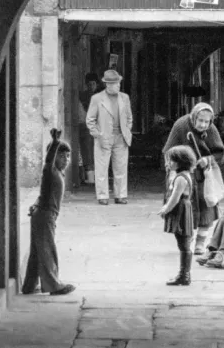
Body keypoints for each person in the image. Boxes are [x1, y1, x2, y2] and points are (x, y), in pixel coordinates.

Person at [162, 102, 224, 254]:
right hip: (185, 175)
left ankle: (200, 242)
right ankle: (187, 240)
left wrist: (208, 160)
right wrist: (172, 172)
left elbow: (221, 154)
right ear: (194, 117)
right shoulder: (181, 125)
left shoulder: (211, 129)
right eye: (201, 121)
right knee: (186, 209)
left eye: (207, 122)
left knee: (206, 208)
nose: (203, 125)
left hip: (204, 176)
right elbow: (168, 151)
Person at [21, 129, 76, 296]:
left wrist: (36, 204)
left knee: (37, 252)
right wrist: (55, 142)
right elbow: (48, 162)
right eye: (61, 156)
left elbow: (43, 193)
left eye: (67, 156)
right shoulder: (50, 171)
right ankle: (53, 285)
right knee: (47, 250)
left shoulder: (58, 174)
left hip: (44, 215)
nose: (65, 160)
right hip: (45, 216)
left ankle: (29, 286)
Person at [86, 69, 133, 205]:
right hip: (104, 137)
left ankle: (121, 195)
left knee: (121, 167)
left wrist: (127, 130)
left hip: (121, 136)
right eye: (116, 83)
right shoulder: (97, 99)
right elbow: (90, 119)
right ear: (108, 84)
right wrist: (97, 134)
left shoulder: (125, 98)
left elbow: (129, 117)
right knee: (101, 167)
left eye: (119, 83)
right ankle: (102, 196)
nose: (119, 85)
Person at [158, 145, 197, 286]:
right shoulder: (182, 175)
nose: (168, 163)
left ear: (181, 161)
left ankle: (184, 275)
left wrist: (165, 209)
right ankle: (184, 274)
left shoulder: (181, 178)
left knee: (184, 243)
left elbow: (175, 198)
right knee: (183, 242)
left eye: (171, 161)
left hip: (181, 210)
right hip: (181, 209)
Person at [76, 72, 101, 187]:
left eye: (93, 84)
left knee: (91, 152)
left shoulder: (100, 96)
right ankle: (90, 178)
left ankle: (93, 177)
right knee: (88, 152)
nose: (91, 86)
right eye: (89, 84)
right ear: (86, 84)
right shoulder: (84, 96)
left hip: (93, 126)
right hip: (87, 126)